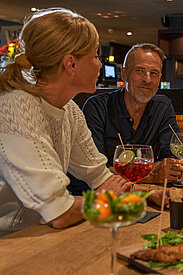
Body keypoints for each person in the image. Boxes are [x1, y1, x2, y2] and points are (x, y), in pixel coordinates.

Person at [0, 8, 167, 237]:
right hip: (10, 241)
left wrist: (145, 193)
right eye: (95, 57)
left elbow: (100, 176)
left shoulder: (69, 110)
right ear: (71, 64)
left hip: (38, 235)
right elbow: (60, 212)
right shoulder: (15, 106)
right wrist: (104, 198)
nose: (100, 65)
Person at [81, 43, 183, 185]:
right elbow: (94, 169)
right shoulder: (97, 107)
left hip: (149, 195)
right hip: (101, 198)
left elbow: (170, 158)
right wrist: (151, 175)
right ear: (124, 74)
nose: (147, 79)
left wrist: (169, 166)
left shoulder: (163, 107)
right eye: (139, 71)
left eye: (154, 73)